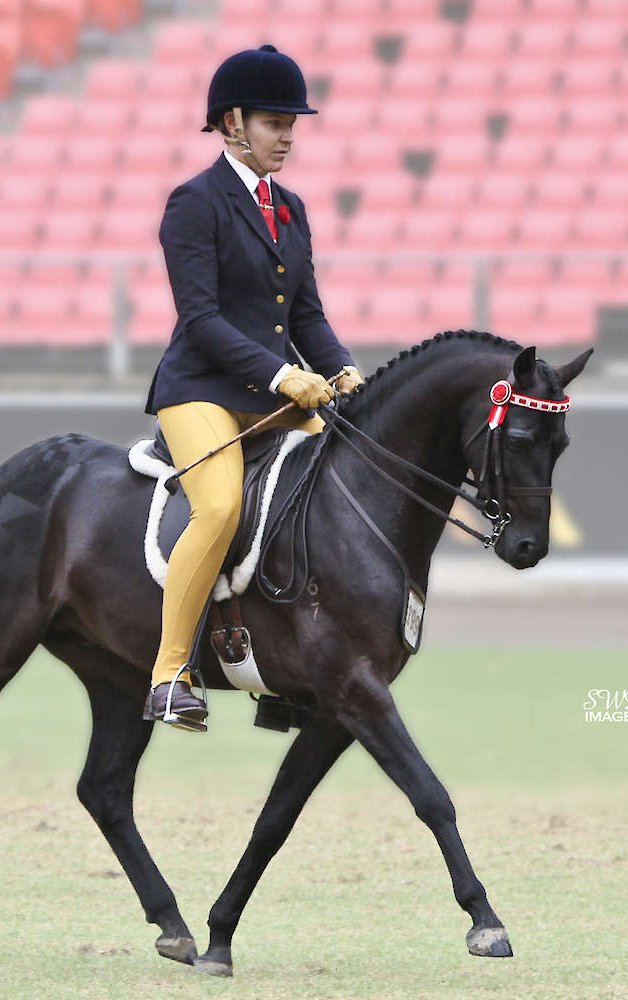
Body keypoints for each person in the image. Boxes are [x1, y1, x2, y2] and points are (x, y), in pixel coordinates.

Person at [143, 44, 363, 732]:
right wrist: (282, 374)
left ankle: (286, 669)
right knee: (218, 509)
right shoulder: (194, 203)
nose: (289, 137)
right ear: (232, 122)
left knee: (335, 497)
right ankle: (170, 673)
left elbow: (305, 316)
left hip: (277, 396)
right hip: (200, 390)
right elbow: (200, 318)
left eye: (293, 124)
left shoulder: (291, 210)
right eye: (275, 123)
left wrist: (343, 369)